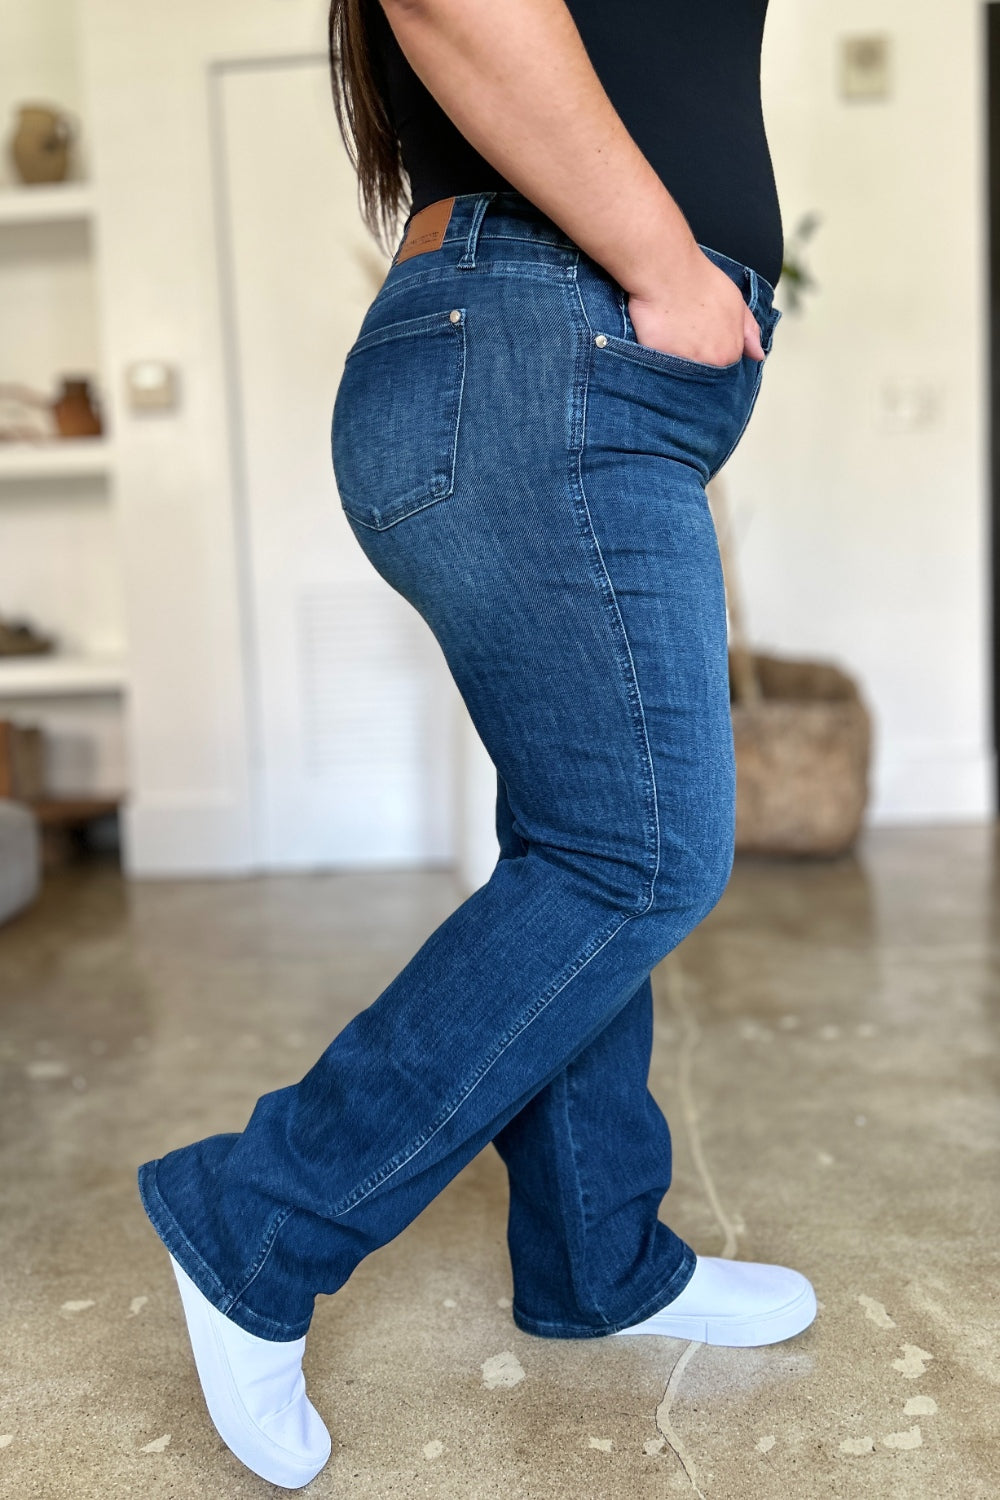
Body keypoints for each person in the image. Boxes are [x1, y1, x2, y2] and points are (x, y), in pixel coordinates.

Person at [138, 0, 816, 1487]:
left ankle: (598, 1257)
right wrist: (660, 265)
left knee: (579, 834)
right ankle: (260, 1217)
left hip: (558, 358)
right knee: (638, 857)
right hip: (548, 347)